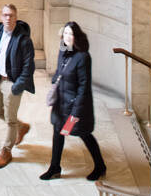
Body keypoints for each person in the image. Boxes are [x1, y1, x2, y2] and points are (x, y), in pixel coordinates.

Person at [40, 21, 107, 181]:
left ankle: (100, 166)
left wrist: (75, 113)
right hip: (61, 104)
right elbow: (59, 70)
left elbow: (84, 87)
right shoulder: (63, 49)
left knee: (83, 134)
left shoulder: (83, 57)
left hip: (74, 107)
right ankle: (55, 167)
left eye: (71, 34)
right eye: (65, 33)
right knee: (58, 132)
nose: (67, 37)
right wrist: (56, 79)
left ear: (77, 36)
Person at [0, 3, 35, 169]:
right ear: (1, 17)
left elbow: (28, 66)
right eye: (5, 15)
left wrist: (17, 86)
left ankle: (6, 151)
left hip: (12, 83)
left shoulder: (23, 39)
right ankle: (21, 126)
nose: (8, 18)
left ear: (16, 18)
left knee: (10, 120)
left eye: (11, 15)